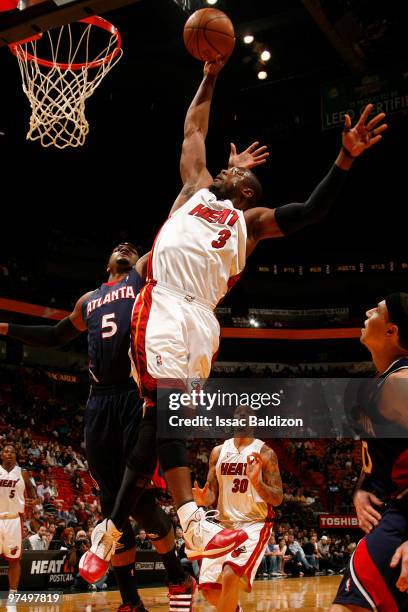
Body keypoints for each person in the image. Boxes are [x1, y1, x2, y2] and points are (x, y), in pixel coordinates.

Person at [84, 54, 387, 581]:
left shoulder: (251, 221)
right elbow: (192, 128)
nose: (227, 167)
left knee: (159, 422)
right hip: (164, 301)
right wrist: (211, 73)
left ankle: (109, 532)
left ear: (247, 190)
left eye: (237, 171)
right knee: (170, 408)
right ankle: (190, 519)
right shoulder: (196, 188)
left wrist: (344, 157)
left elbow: (311, 212)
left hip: (203, 320)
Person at [0, 244, 194, 611]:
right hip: (99, 401)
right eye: (117, 248)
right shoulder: (88, 299)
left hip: (137, 394)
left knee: (136, 498)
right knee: (112, 501)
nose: (123, 248)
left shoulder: (141, 279)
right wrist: (6, 327)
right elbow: (55, 336)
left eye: (130, 247)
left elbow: (169, 234)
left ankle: (175, 574)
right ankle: (130, 601)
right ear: (105, 263)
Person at [331, 292, 408, 611]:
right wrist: (361, 489)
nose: (366, 312)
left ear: (392, 331)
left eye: (376, 310)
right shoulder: (385, 382)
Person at [193, 407, 283, 612]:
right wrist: (203, 498)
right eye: (238, 415)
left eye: (248, 416)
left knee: (230, 575)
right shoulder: (218, 452)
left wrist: (257, 483)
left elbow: (277, 497)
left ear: (254, 422)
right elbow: (212, 495)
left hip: (253, 524)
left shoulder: (265, 452)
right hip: (223, 526)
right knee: (208, 589)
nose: (242, 418)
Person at [0, 445, 37, 598]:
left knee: (14, 560)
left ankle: (13, 593)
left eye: (12, 452)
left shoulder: (23, 473)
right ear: (2, 454)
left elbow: (32, 491)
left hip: (14, 520)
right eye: (6, 451)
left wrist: (34, 500)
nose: (9, 454)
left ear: (16, 455)